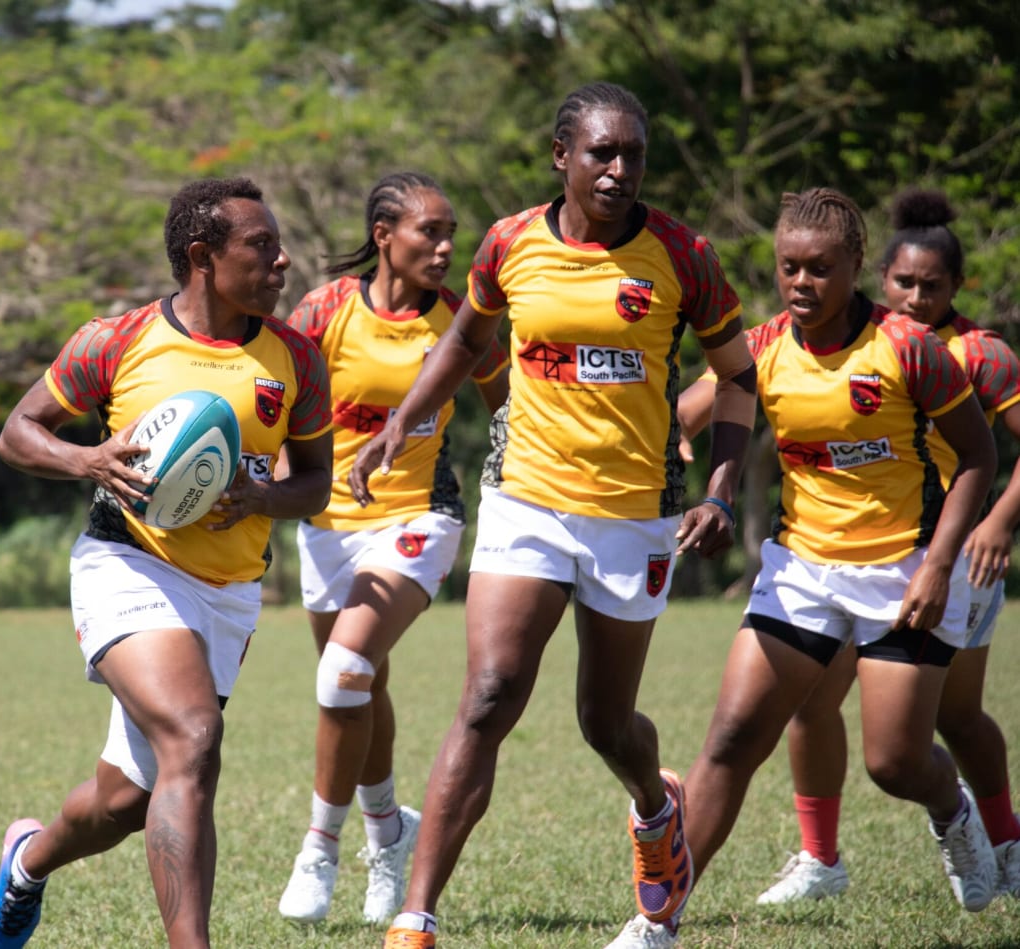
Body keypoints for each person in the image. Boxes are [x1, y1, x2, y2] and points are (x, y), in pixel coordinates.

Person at [348, 81, 758, 949]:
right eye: (601, 153)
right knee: (490, 694)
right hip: (525, 495)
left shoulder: (685, 254)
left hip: (634, 513)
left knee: (605, 725)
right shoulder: (508, 243)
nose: (618, 170)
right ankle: (415, 918)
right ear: (561, 157)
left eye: (633, 155)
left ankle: (657, 806)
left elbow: (737, 376)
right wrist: (404, 419)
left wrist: (722, 486)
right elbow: (465, 341)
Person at [0, 176, 334, 949]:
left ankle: (26, 864)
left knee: (124, 800)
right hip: (128, 563)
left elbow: (315, 483)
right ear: (202, 257)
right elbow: (18, 432)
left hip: (228, 592)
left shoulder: (297, 358)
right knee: (194, 736)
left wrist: (258, 498)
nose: (283, 261)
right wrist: (90, 460)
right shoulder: (116, 339)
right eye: (262, 247)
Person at [667, 187, 1000, 943]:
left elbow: (980, 457)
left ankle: (952, 805)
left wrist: (939, 563)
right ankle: (661, 917)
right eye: (789, 267)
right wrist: (674, 446)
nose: (801, 283)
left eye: (820, 268)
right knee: (729, 736)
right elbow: (685, 412)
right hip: (803, 571)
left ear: (856, 266)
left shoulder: (909, 346)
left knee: (894, 762)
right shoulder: (761, 349)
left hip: (903, 570)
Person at [275, 171, 509, 926]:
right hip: (325, 524)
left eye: (450, 235)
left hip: (419, 515)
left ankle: (319, 846)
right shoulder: (324, 309)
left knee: (343, 672)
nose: (445, 248)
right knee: (361, 687)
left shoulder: (461, 320)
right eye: (428, 233)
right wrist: (266, 480)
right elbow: (277, 406)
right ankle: (389, 837)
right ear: (384, 236)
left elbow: (512, 409)